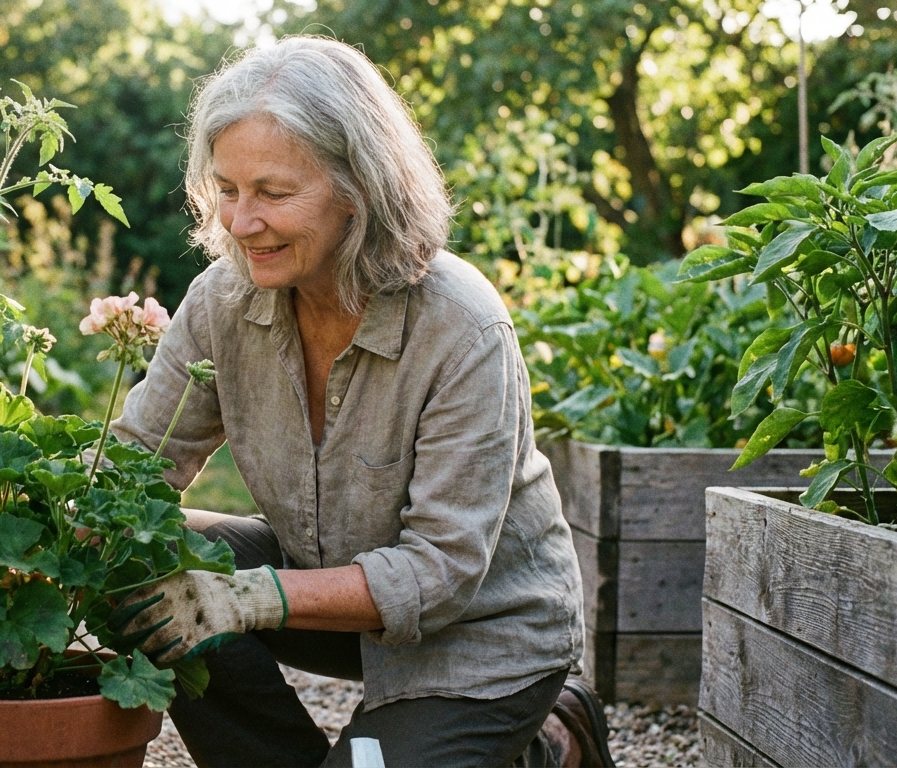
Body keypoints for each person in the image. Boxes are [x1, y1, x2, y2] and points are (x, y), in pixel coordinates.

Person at [110, 36, 615, 767]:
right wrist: (35, 534)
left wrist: (250, 597)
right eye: (227, 189)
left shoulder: (461, 327)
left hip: (478, 633)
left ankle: (553, 739)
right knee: (134, 563)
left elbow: (440, 573)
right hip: (328, 593)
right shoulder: (224, 301)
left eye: (273, 193)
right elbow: (133, 466)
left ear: (360, 189)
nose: (240, 223)